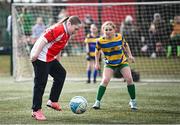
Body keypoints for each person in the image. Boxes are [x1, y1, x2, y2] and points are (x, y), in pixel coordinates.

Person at [30, 16, 82, 121]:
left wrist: (57, 61)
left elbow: (58, 47)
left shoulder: (67, 33)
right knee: (40, 83)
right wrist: (35, 54)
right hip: (40, 57)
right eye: (76, 28)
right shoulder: (59, 29)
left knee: (61, 74)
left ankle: (52, 101)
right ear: (69, 24)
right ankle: (36, 110)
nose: (76, 31)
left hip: (49, 57)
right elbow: (44, 40)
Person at [92, 21, 137, 111]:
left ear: (114, 30)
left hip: (121, 61)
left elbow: (125, 45)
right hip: (109, 63)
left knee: (129, 79)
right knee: (105, 80)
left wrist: (130, 55)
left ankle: (133, 101)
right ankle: (97, 102)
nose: (108, 31)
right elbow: (97, 52)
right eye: (106, 29)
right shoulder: (100, 41)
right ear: (103, 30)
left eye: (110, 29)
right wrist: (96, 63)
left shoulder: (119, 37)